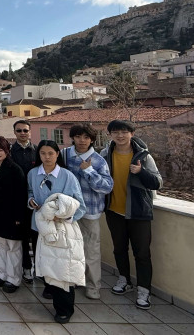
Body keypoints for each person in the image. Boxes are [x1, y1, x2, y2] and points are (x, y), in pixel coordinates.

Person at [100, 120, 162, 310]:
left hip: (138, 212)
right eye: (116, 132)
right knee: (119, 248)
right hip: (114, 211)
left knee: (142, 253)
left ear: (132, 134)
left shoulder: (143, 157)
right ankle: (124, 280)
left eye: (124, 132)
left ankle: (144, 290)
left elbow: (158, 183)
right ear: (110, 134)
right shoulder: (105, 154)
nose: (120, 135)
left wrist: (141, 171)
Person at [27, 140, 86, 324]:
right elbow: (30, 192)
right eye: (43, 153)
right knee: (45, 263)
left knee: (63, 270)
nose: (46, 157)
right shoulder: (32, 174)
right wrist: (31, 201)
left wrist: (62, 216)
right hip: (40, 228)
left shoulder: (67, 176)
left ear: (57, 154)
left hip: (62, 230)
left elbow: (80, 206)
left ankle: (64, 309)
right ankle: (49, 288)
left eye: (50, 153)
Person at [62, 124, 113, 300]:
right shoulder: (65, 155)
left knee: (91, 250)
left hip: (89, 212)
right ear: (73, 138)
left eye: (86, 137)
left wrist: (89, 171)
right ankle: (76, 279)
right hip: (68, 212)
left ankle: (93, 286)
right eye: (78, 137)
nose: (82, 141)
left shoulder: (98, 161)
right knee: (71, 249)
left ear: (91, 139)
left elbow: (107, 187)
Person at [0, 135, 30, 292]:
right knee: (0, 245)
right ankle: (1, 274)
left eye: (0, 150)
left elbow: (21, 196)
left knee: (13, 247)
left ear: (7, 151)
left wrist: (18, 217)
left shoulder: (15, 169)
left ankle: (13, 278)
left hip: (11, 216)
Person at [10, 119, 38, 284]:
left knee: (37, 237)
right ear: (15, 133)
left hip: (37, 201)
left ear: (30, 132)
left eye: (25, 130)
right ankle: (26, 267)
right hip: (18, 200)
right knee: (22, 237)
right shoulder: (10, 152)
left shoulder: (37, 151)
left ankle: (39, 269)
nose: (22, 133)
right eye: (19, 130)